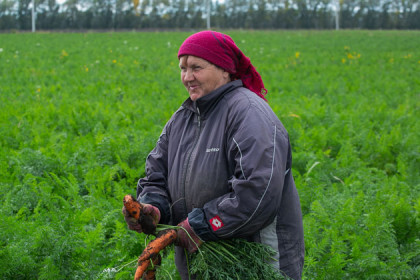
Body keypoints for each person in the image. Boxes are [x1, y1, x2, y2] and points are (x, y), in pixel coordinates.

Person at [123, 30, 304, 280]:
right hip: (199, 263)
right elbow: (156, 175)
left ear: (225, 70)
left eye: (196, 67)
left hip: (255, 262)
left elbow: (257, 193)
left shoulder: (249, 114)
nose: (187, 77)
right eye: (183, 68)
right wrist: (154, 209)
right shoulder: (182, 120)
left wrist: (203, 225)